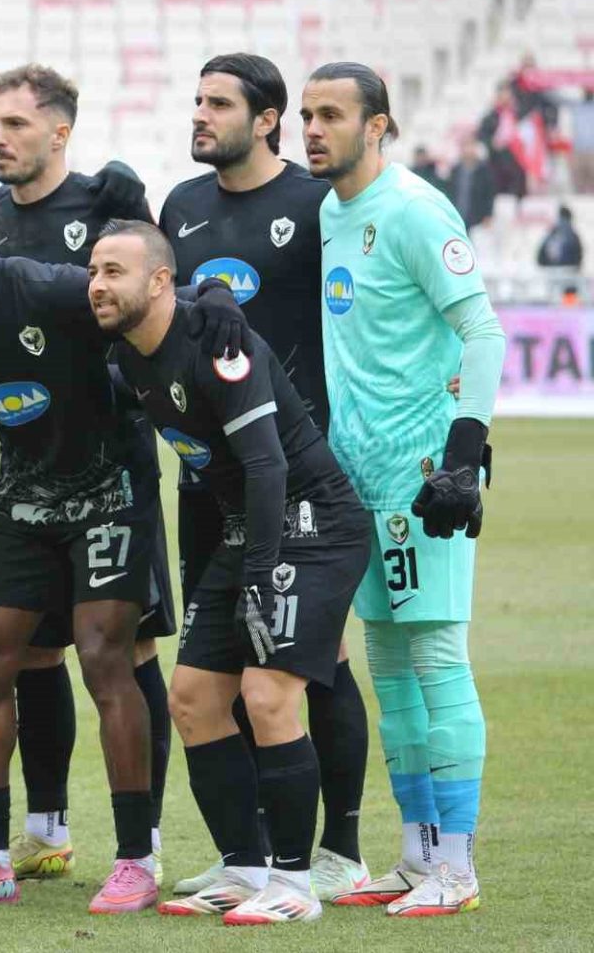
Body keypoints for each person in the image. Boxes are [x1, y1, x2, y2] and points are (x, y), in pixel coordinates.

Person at [0, 182, 244, 911]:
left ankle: (135, 858)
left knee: (103, 656)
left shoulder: (51, 291)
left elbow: (146, 305)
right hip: (21, 499)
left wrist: (212, 296)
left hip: (110, 489)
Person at [94, 220, 371, 925]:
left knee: (267, 695)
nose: (97, 285)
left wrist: (259, 573)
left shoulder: (219, 347)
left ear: (160, 282)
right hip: (247, 531)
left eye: (113, 272)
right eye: (94, 271)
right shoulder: (128, 351)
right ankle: (245, 865)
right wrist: (213, 284)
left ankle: (295, 882)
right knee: (192, 698)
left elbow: (268, 465)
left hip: (312, 524)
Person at [157, 53, 372, 901]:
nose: (200, 114)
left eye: (218, 103)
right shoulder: (182, 206)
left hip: (299, 469)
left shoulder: (318, 204)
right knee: (222, 662)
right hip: (211, 480)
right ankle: (250, 854)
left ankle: (339, 849)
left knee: (316, 661)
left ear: (268, 118)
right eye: (197, 100)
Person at [301, 62, 506, 915]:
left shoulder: (417, 210)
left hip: (426, 482)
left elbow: (483, 331)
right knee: (388, 668)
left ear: (377, 125)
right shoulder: (328, 212)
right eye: (307, 115)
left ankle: (458, 867)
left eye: (331, 114)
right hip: (359, 480)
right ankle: (419, 854)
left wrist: (463, 458)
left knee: (437, 660)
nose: (313, 130)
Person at [0, 63, 178, 882]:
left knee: (126, 652)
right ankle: (45, 829)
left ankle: (146, 839)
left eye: (16, 125)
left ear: (59, 132)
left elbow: (158, 304)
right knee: (30, 655)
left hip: (112, 470)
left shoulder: (103, 210)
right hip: (24, 474)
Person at [446, 144, 497, 234]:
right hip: (458, 211)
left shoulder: (483, 171)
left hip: (477, 214)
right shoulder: (456, 170)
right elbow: (450, 191)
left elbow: (489, 193)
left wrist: (488, 214)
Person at [537, 204, 584, 272]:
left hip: (551, 270)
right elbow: (578, 256)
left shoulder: (552, 232)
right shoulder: (571, 234)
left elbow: (540, 257)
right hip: (568, 270)